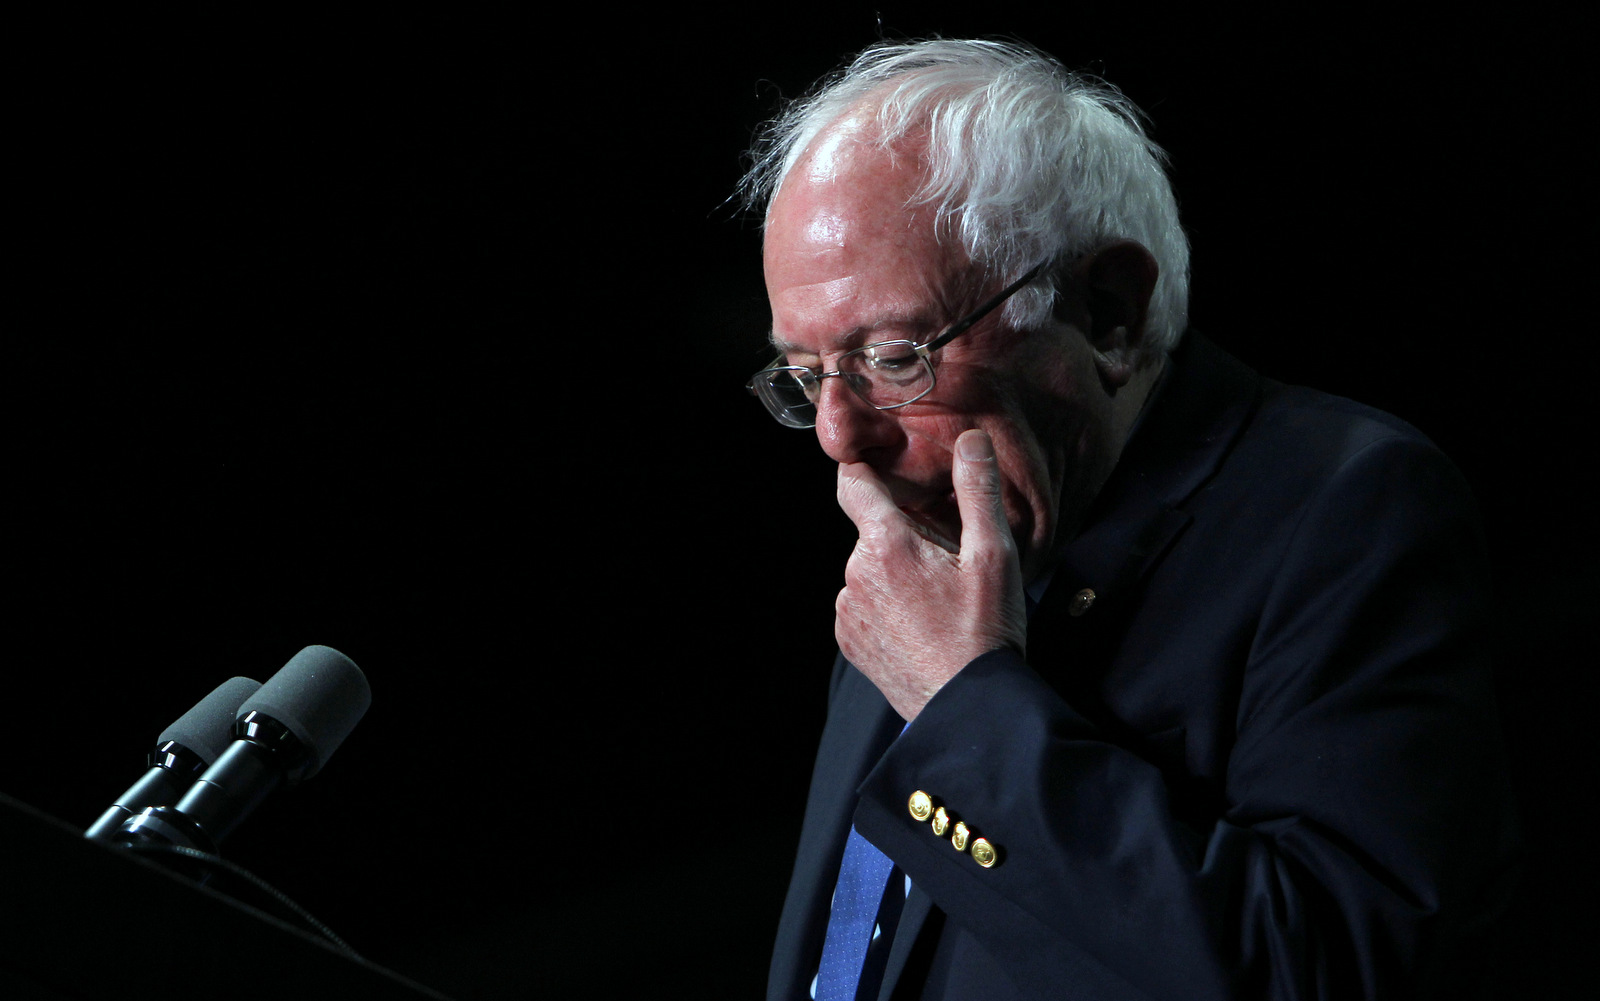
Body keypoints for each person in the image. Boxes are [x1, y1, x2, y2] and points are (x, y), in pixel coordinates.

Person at [739, 39, 1518, 1001]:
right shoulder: (917, 559)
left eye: (896, 357)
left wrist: (962, 704)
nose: (838, 438)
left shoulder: (1351, 513)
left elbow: (1322, 974)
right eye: (807, 375)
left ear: (1107, 311)